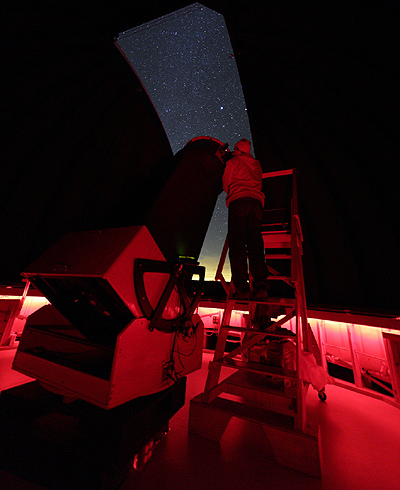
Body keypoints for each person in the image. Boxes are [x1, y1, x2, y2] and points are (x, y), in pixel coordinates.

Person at [223, 138, 269, 300]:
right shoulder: (256, 164)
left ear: (240, 150)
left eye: (235, 149)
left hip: (239, 201)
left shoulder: (233, 162)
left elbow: (225, 183)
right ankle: (261, 285)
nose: (233, 152)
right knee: (255, 245)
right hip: (257, 203)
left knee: (237, 245)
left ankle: (242, 287)